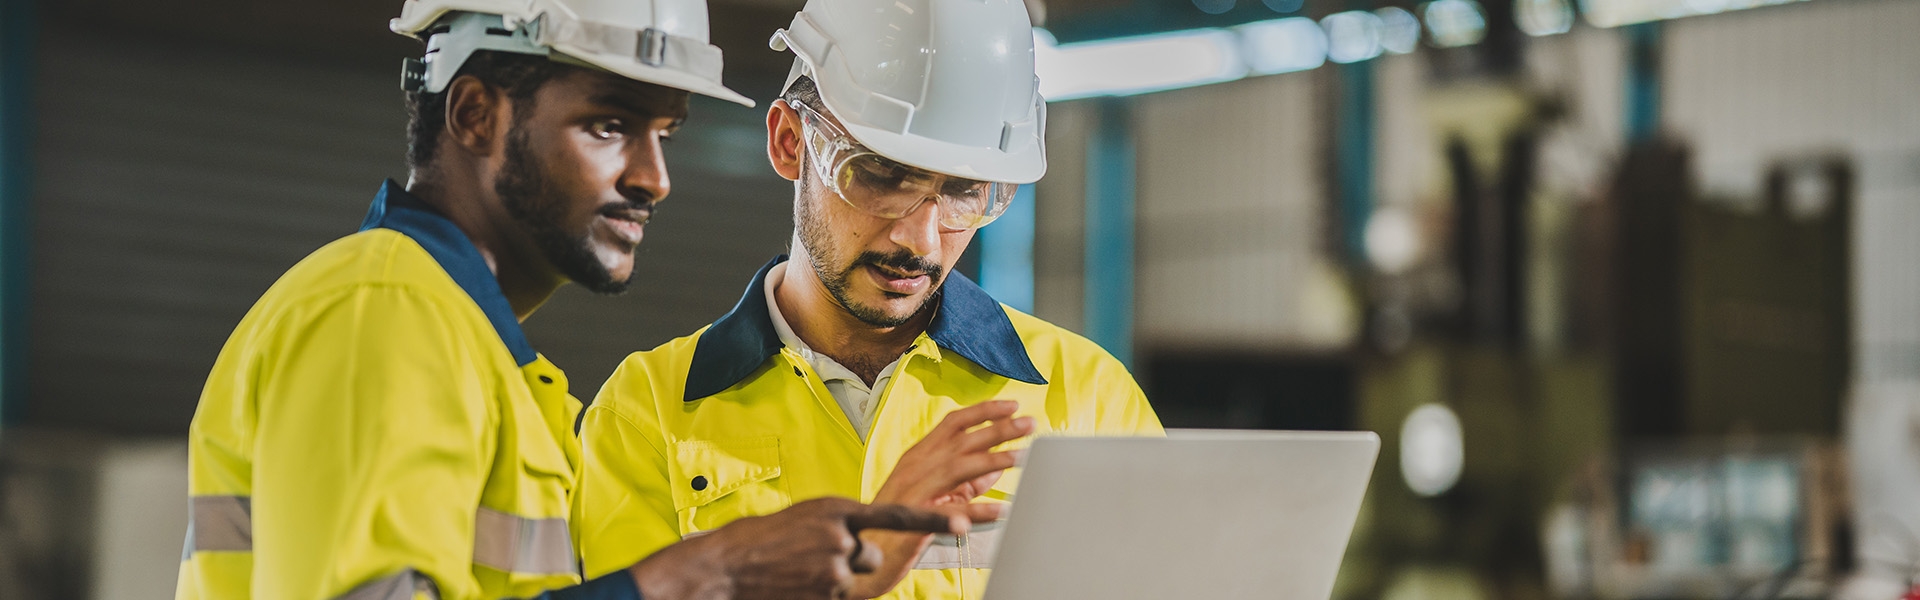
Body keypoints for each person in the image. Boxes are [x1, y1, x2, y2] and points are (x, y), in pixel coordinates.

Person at [175, 1, 1005, 598]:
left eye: (665, 134)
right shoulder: (385, 313)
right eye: (609, 126)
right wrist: (703, 573)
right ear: (474, 114)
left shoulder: (492, 365)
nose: (654, 178)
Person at [571, 0, 1165, 597]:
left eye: (962, 193)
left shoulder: (1086, 398)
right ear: (789, 142)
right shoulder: (648, 412)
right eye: (881, 175)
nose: (920, 240)